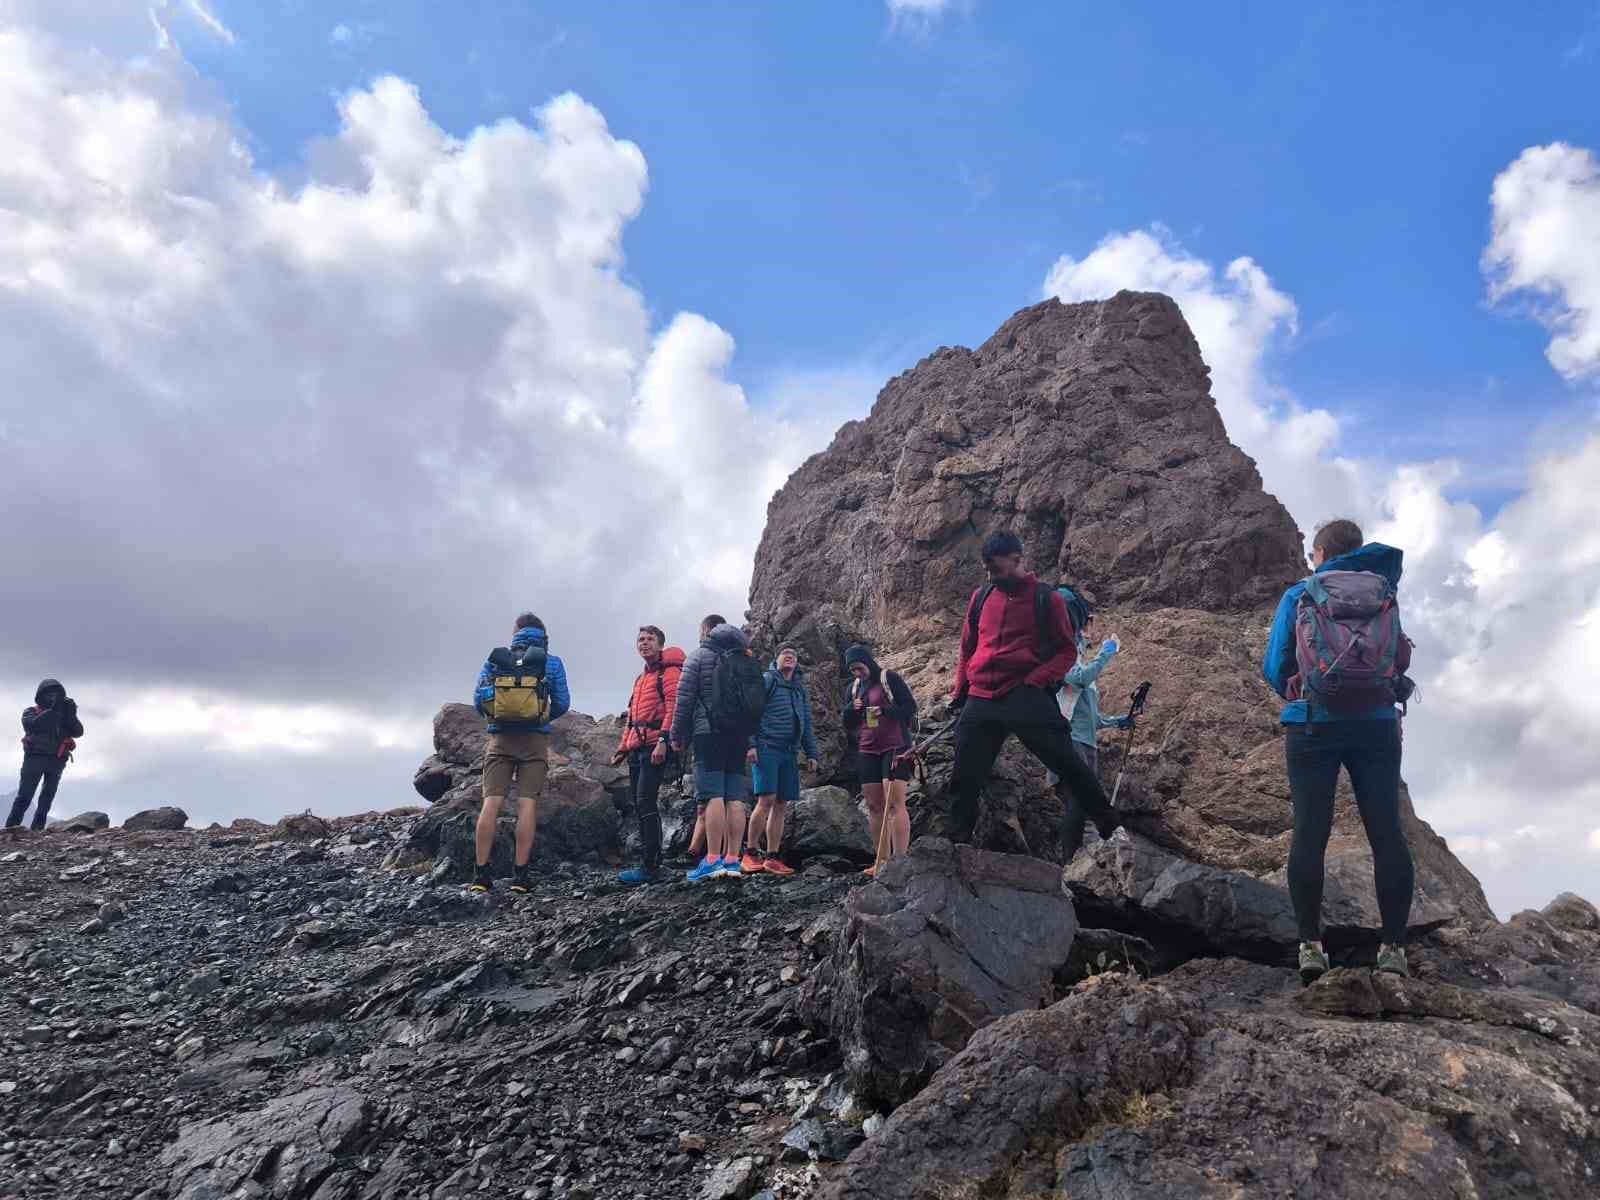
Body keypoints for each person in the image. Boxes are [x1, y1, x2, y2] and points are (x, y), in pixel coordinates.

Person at [1264, 518, 1415, 985]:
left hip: (1313, 724)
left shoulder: (1302, 592)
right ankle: (1393, 950)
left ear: (1323, 553)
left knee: (1311, 833)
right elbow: (1396, 655)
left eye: (1314, 553)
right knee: (1386, 832)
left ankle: (1311, 946)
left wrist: (1304, 690)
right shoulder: (1383, 591)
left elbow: (1274, 665)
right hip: (1375, 724)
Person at [949, 530, 1120, 856]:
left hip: (1024, 694)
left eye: (998, 569)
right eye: (988, 570)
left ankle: (1110, 825)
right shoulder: (981, 597)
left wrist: (1036, 680)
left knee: (1068, 762)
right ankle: (955, 844)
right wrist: (960, 690)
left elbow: (1066, 652)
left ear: (1018, 560)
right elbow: (967, 647)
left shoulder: (1047, 599)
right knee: (965, 775)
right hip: (982, 697)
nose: (993, 576)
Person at [469, 613, 570, 894]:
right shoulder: (551, 662)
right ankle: (521, 877)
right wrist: (541, 716)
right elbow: (562, 701)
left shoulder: (497, 658)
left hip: (500, 738)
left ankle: (480, 875)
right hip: (535, 739)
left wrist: (496, 716)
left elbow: (478, 699)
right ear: (543, 634)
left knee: (491, 803)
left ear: (515, 632)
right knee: (527, 805)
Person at [670, 615, 755, 881]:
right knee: (735, 798)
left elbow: (684, 700)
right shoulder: (745, 659)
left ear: (707, 631)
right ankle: (733, 860)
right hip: (738, 736)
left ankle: (712, 859)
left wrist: (677, 734)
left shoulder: (698, 657)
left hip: (708, 733)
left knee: (712, 796)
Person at [1051, 612, 1134, 855]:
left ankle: (1072, 860)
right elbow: (1081, 678)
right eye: (1085, 626)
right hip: (1069, 742)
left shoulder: (1081, 669)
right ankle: (1067, 861)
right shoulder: (1062, 661)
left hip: (1087, 747)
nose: (1090, 631)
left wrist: (1122, 721)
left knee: (1081, 804)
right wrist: (1107, 650)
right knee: (1077, 802)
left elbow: (1094, 719)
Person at [612, 625, 684, 885]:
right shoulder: (641, 678)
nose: (644, 643)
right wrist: (623, 748)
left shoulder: (670, 672)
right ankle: (648, 863)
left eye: (650, 640)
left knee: (645, 802)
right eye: (641, 639)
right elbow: (632, 716)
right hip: (637, 750)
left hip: (655, 747)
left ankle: (651, 866)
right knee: (639, 803)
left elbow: (673, 709)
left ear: (660, 644)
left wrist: (663, 742)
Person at [743, 645, 819, 876]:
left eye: (794, 654)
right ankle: (750, 853)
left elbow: (805, 722)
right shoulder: (768, 680)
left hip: (789, 751)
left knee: (782, 803)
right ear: (776, 660)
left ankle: (773, 857)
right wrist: (751, 744)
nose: (790, 656)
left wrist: (812, 753)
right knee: (766, 799)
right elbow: (750, 712)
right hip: (767, 747)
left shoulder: (799, 690)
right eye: (785, 654)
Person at [842, 644, 917, 873]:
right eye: (853, 670)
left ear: (868, 662)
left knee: (895, 804)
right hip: (867, 749)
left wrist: (884, 710)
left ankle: (900, 861)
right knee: (875, 806)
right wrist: (850, 710)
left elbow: (909, 708)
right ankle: (881, 861)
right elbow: (848, 725)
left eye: (859, 667)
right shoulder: (853, 689)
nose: (857, 673)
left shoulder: (888, 678)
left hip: (896, 746)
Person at [6, 680, 83, 831]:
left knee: (47, 798)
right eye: (49, 694)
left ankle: (37, 830)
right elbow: (33, 725)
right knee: (24, 796)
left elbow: (78, 732)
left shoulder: (64, 715)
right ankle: (10, 830)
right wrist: (53, 710)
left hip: (57, 760)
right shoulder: (31, 711)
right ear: (41, 695)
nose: (53, 697)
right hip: (35, 759)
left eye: (56, 694)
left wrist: (71, 714)